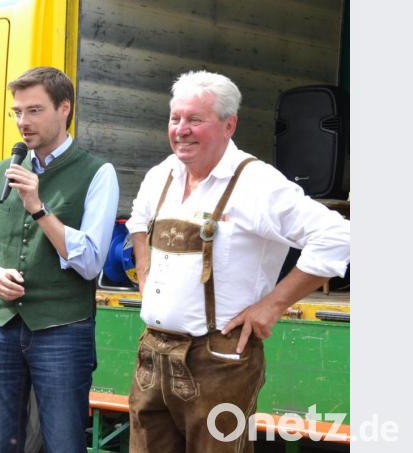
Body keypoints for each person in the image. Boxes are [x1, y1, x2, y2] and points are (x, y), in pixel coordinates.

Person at [125, 70, 350, 452]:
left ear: (230, 125)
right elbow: (137, 220)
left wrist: (272, 305)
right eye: (175, 118)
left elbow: (338, 236)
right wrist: (144, 272)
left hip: (218, 362)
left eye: (195, 119)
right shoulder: (161, 174)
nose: (181, 129)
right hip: (152, 358)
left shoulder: (257, 183)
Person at [0, 66, 119, 452]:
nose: (22, 122)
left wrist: (38, 208)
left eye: (33, 111)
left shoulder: (98, 173)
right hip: (0, 326)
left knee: (64, 443)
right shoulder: (3, 170)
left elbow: (92, 262)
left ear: (64, 108)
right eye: (16, 112)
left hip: (63, 329)